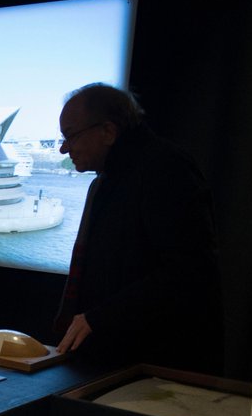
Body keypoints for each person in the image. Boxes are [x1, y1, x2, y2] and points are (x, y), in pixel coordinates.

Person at [53, 83, 224, 373]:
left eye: (71, 136)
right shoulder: (108, 181)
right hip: (119, 361)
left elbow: (188, 271)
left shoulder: (166, 169)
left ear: (108, 131)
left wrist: (99, 318)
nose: (63, 148)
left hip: (157, 367)